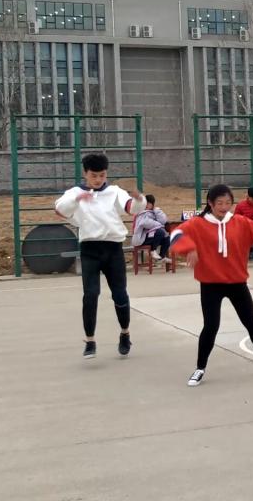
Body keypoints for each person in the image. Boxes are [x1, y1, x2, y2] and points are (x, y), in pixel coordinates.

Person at [169, 184, 253, 386]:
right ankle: (200, 368)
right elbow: (176, 234)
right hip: (210, 284)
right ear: (210, 203)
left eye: (228, 203)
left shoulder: (239, 222)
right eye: (219, 203)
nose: (224, 207)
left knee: (251, 322)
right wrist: (189, 248)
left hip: (237, 283)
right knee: (211, 326)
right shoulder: (197, 224)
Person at [55, 154, 145, 359]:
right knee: (90, 294)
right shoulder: (74, 193)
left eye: (102, 175)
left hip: (113, 248)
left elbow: (131, 208)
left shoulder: (114, 192)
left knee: (120, 294)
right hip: (90, 250)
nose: (98, 180)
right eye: (94, 175)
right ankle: (90, 341)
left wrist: (139, 200)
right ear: (85, 173)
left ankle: (125, 333)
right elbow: (60, 210)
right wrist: (78, 199)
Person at [131, 194, 171, 264]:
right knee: (160, 232)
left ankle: (161, 257)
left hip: (151, 236)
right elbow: (145, 223)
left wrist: (157, 211)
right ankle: (153, 250)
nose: (146, 205)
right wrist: (160, 225)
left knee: (167, 237)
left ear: (152, 204)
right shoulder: (141, 213)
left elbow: (163, 221)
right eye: (145, 203)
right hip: (141, 238)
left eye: (149, 203)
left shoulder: (153, 212)